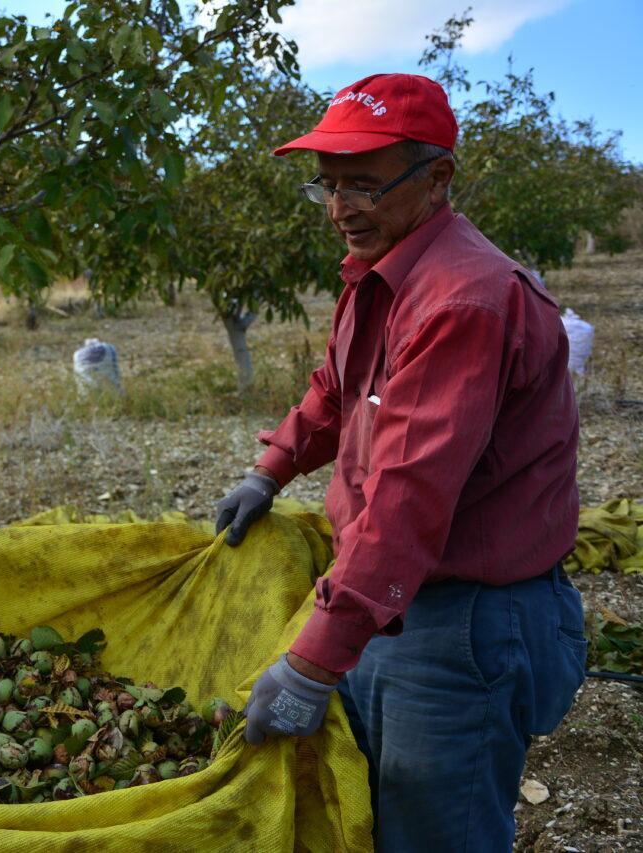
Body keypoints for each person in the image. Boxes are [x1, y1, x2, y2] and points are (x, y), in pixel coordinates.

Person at [214, 73, 587, 851]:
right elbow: (336, 389)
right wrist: (270, 469)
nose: (340, 207)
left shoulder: (462, 301)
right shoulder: (385, 273)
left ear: (438, 176)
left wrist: (313, 663)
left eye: (362, 184)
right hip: (392, 597)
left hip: (467, 620)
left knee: (433, 833)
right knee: (380, 815)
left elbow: (407, 501)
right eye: (328, 185)